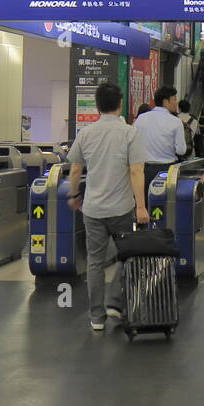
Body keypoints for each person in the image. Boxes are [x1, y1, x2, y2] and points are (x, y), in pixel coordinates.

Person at [65, 82, 151, 332]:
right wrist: (141, 206)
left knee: (95, 262)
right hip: (122, 208)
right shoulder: (129, 133)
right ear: (120, 104)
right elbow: (136, 170)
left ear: (97, 105)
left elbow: (76, 169)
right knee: (128, 254)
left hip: (92, 209)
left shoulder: (86, 133)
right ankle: (115, 300)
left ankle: (96, 317)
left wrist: (74, 195)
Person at [134, 84, 187, 203]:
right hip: (167, 172)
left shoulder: (141, 119)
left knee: (145, 205)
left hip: (144, 171)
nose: (176, 102)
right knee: (165, 208)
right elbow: (181, 151)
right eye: (174, 99)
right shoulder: (176, 122)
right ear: (165, 101)